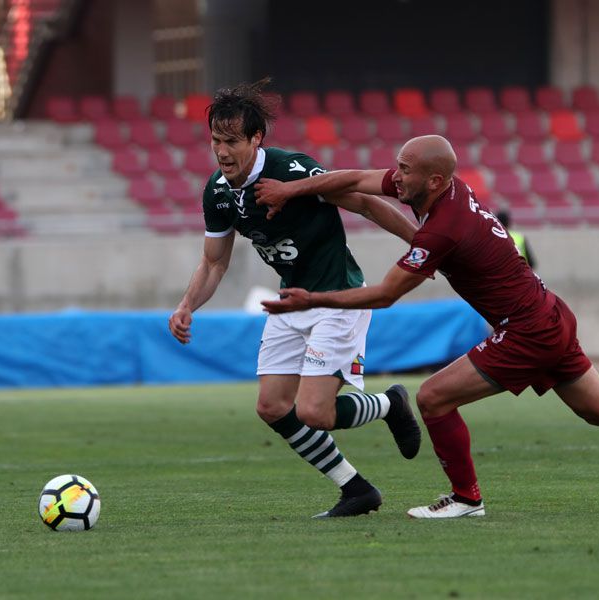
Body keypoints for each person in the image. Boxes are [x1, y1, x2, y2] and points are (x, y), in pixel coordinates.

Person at [256, 135, 599, 518]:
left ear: (433, 180)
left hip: (527, 329)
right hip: (547, 314)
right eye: (399, 166)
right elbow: (361, 179)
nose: (395, 176)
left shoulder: (446, 226)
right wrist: (293, 187)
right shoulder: (440, 186)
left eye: (404, 170)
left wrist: (314, 299)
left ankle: (466, 498)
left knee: (432, 398)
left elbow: (385, 293)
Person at [167, 80, 422, 518]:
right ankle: (356, 489)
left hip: (338, 296)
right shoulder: (218, 193)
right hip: (291, 302)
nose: (222, 152)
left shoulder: (292, 170)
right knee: (271, 406)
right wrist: (187, 305)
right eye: (215, 141)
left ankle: (389, 404)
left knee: (314, 412)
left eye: (231, 141)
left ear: (256, 138)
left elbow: (363, 202)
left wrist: (423, 244)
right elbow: (214, 263)